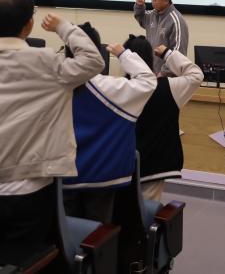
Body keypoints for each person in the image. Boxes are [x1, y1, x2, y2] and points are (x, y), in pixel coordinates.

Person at [0, 0, 104, 266]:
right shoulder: (48, 62)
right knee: (27, 262)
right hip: (31, 187)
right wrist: (64, 27)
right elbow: (94, 60)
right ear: (29, 24)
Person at [63, 22, 157, 223]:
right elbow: (148, 80)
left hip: (61, 178)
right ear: (97, 52)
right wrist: (123, 54)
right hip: (102, 178)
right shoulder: (110, 89)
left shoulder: (53, 86)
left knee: (65, 231)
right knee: (98, 236)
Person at [133, 35, 204, 201]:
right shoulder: (167, 87)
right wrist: (168, 54)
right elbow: (196, 75)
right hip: (154, 167)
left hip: (120, 164)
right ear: (150, 59)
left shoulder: (116, 87)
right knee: (144, 211)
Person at [133, 0, 190, 74]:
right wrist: (139, 6)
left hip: (166, 76)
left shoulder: (176, 20)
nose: (152, 1)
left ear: (166, 1)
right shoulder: (152, 14)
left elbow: (178, 54)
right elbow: (141, 18)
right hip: (150, 72)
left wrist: (164, 73)